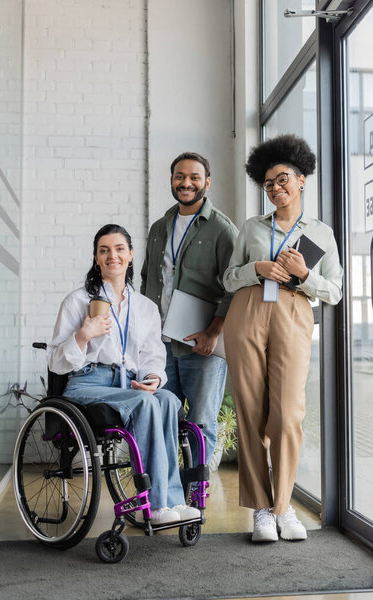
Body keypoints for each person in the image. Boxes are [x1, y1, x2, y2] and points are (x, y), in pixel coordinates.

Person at [223, 134, 343, 542]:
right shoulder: (252, 228)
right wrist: (257, 267)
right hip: (249, 312)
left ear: (302, 179)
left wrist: (306, 275)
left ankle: (284, 506)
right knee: (251, 411)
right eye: (269, 183)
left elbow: (335, 291)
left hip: (294, 310)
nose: (276, 188)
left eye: (283, 178)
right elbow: (228, 278)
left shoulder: (321, 233)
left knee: (289, 414)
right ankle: (261, 509)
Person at [48, 223, 200, 525]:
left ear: (130, 255)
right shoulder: (78, 301)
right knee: (144, 403)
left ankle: (173, 500)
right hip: (87, 383)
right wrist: (82, 335)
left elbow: (153, 356)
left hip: (129, 383)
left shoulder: (144, 307)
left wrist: (154, 378)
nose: (112, 256)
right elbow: (55, 361)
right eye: (104, 251)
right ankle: (156, 505)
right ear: (96, 258)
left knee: (168, 400)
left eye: (119, 249)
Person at [141, 152, 239, 465]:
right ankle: (168, 494)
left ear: (206, 182)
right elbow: (148, 281)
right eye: (179, 176)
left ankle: (195, 498)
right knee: (161, 417)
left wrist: (214, 333)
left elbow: (235, 287)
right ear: (171, 181)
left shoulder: (222, 230)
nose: (186, 183)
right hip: (161, 345)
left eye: (194, 177)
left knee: (202, 423)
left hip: (201, 345)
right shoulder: (159, 227)